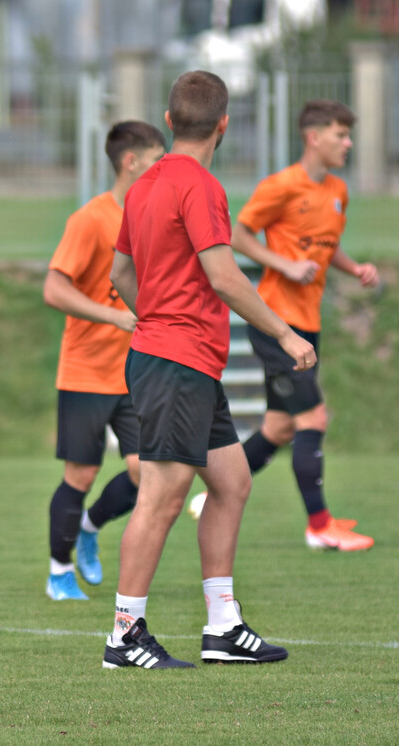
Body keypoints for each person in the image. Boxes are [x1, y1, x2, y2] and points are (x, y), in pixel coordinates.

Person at [105, 70, 316, 669]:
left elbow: (121, 275)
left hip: (182, 359)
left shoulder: (144, 184)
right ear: (224, 125)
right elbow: (224, 276)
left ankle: (223, 627)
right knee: (163, 496)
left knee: (231, 482)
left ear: (170, 122)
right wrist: (284, 331)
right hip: (176, 360)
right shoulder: (201, 186)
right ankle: (124, 635)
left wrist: (157, 318)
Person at [230, 100, 377, 551]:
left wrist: (354, 270)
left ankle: (214, 492)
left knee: (279, 428)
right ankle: (319, 526)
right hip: (277, 322)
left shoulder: (337, 189)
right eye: (341, 135)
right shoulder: (281, 186)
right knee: (313, 415)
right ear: (314, 137)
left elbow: (326, 245)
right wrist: (285, 266)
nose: (348, 143)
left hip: (307, 323)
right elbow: (237, 234)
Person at [42, 120, 167, 602]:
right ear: (131, 161)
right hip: (87, 371)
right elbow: (54, 289)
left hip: (139, 370)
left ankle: (91, 527)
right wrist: (114, 316)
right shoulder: (91, 219)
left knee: (147, 472)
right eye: (158, 158)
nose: (164, 167)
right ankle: (58, 570)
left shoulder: (155, 216)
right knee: (81, 474)